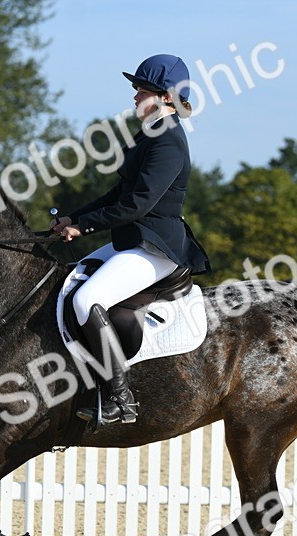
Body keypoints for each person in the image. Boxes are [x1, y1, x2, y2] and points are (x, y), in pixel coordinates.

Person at [52, 54, 208, 426]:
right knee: (73, 279)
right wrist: (75, 216)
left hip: (156, 245)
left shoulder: (168, 142)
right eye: (137, 90)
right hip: (136, 240)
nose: (136, 96)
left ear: (167, 97)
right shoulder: (150, 135)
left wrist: (85, 227)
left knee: (88, 299)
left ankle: (119, 398)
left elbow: (137, 205)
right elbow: (118, 193)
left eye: (143, 90)